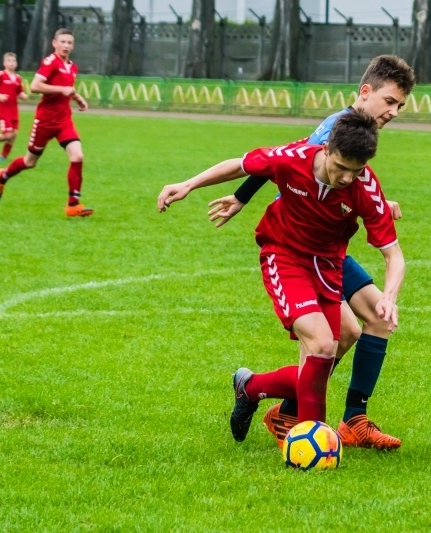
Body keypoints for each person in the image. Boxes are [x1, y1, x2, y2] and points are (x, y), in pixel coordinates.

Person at [156, 110, 405, 444]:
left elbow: (394, 254)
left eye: (356, 170)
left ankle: (252, 388)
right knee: (322, 343)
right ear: (327, 149)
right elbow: (240, 164)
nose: (347, 178)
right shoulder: (293, 159)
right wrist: (188, 184)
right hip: (283, 255)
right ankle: (314, 443)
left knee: (325, 355)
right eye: (341, 167)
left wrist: (389, 296)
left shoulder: (365, 188)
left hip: (328, 267)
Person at [207, 55, 416, 450]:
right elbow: (284, 161)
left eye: (399, 106)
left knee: (367, 323)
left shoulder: (359, 137)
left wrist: (378, 204)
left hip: (330, 249)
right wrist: (240, 197)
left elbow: (348, 185)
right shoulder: (333, 130)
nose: (394, 112)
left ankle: (343, 417)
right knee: (331, 338)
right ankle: (299, 416)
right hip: (302, 244)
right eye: (390, 102)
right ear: (365, 92)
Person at [0, 28, 93, 217]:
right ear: (54, 43)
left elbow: (67, 88)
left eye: (69, 42)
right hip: (45, 121)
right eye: (62, 42)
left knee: (77, 156)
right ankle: (2, 176)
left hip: (64, 121)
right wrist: (61, 89)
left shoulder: (72, 66)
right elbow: (35, 86)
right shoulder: (50, 62)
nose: (66, 46)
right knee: (30, 162)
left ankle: (73, 205)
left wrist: (78, 98)